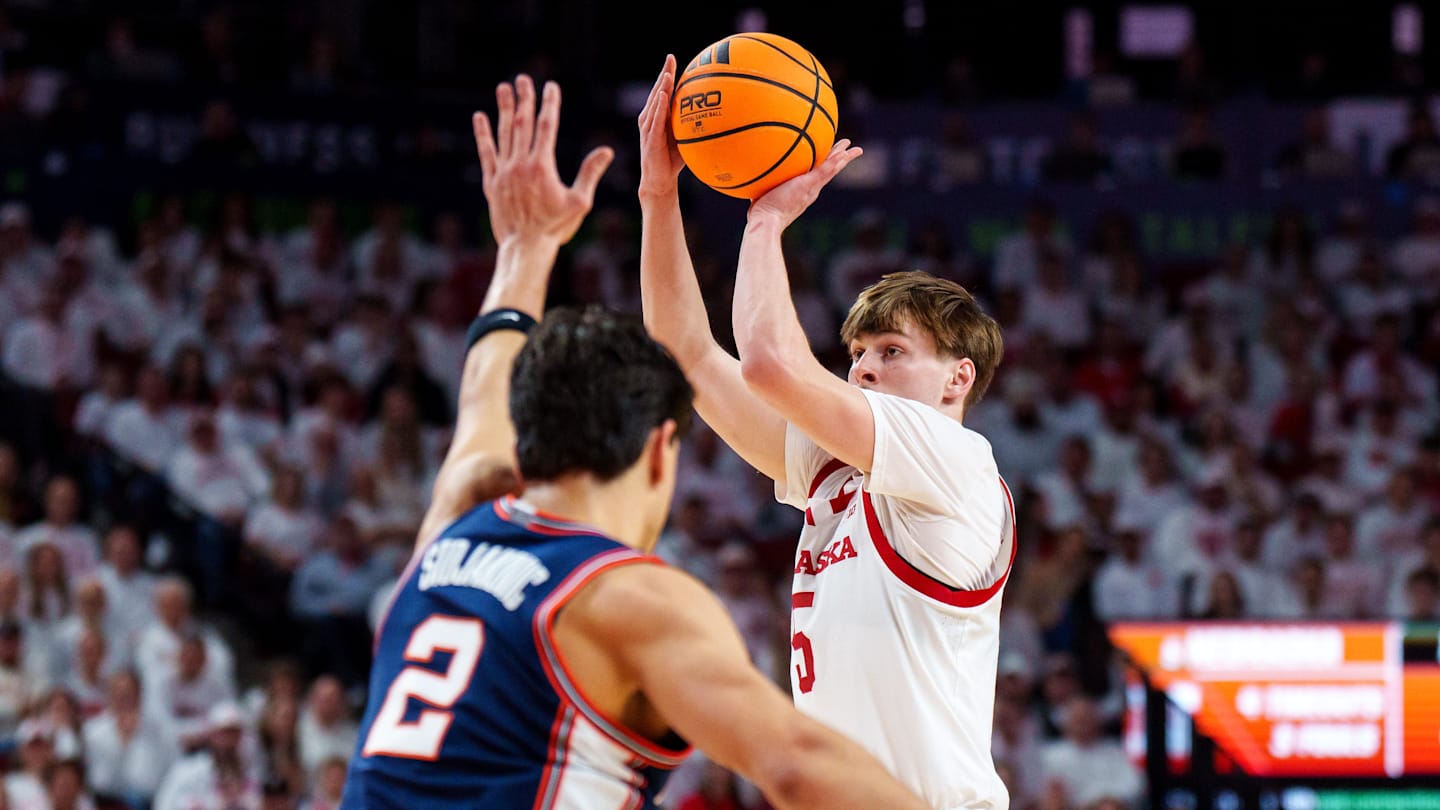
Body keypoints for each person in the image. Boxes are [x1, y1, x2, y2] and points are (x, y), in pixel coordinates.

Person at [341, 73, 928, 810]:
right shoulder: (629, 598)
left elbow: (483, 396)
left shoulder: (448, 537)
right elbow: (797, 766)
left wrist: (524, 250)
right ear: (660, 449)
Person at [638, 55, 1015, 808]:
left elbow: (770, 362)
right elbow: (685, 350)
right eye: (858, 356)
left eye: (892, 353)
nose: (865, 370)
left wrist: (767, 218)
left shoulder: (959, 462)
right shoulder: (835, 470)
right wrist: (658, 193)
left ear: (957, 378)